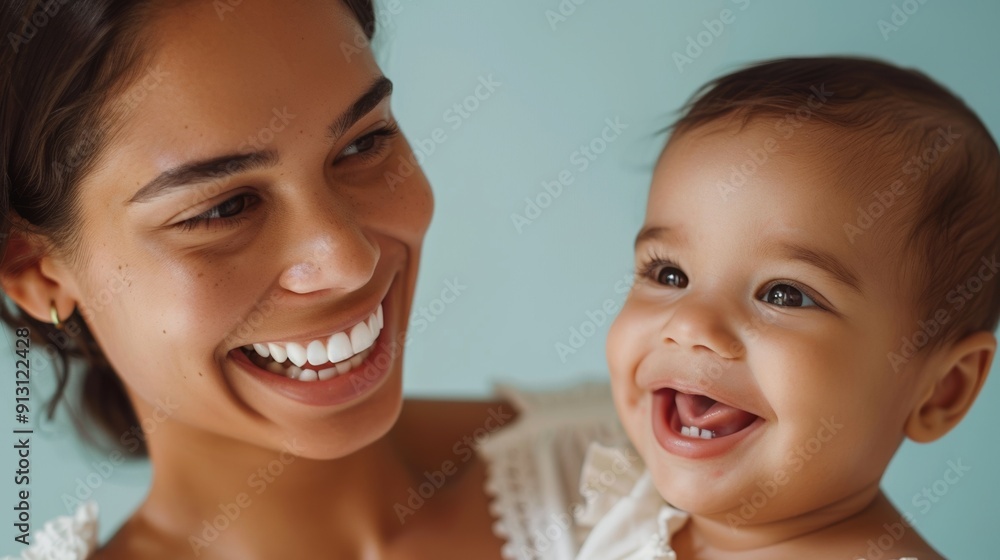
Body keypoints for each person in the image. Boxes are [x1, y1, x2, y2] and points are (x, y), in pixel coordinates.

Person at [0, 1, 626, 558]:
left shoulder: (638, 469)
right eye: (223, 208)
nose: (349, 260)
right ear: (37, 275)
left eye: (363, 144)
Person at [573, 57, 1000, 559]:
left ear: (940, 391)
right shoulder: (603, 496)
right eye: (670, 274)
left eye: (784, 295)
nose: (689, 324)